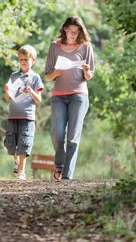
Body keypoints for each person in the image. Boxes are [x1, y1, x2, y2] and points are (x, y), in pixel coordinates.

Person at [45, 16, 95, 180]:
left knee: (73, 137)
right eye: (70, 31)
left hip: (79, 96)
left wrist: (86, 70)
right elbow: (48, 76)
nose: (73, 34)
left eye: (77, 31)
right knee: (57, 134)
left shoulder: (86, 47)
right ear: (64, 29)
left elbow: (89, 76)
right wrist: (56, 72)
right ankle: (59, 165)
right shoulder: (54, 47)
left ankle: (66, 177)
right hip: (58, 96)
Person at [3, 45, 44, 180]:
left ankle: (21, 172)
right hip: (13, 115)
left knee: (24, 143)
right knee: (10, 144)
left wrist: (31, 91)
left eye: (26, 59)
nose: (23, 62)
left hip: (27, 116)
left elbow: (38, 100)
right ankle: (16, 162)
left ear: (33, 60)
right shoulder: (13, 76)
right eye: (21, 59)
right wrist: (6, 91)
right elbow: (8, 98)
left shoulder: (35, 77)